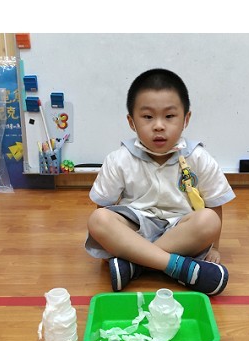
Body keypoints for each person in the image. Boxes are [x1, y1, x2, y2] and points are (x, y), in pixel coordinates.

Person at [85, 68, 236, 296]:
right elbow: (103, 205)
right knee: (98, 219)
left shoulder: (198, 157)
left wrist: (215, 247)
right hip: (136, 229)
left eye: (169, 116)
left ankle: (136, 264)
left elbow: (215, 204)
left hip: (181, 232)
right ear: (131, 122)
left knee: (209, 220)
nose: (158, 126)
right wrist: (109, 238)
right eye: (147, 117)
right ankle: (176, 266)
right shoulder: (119, 158)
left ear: (186, 119)